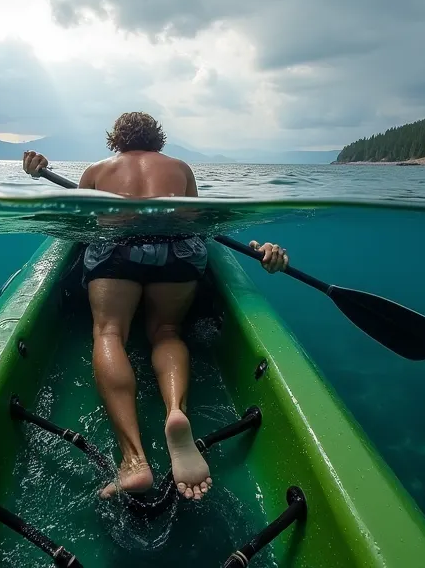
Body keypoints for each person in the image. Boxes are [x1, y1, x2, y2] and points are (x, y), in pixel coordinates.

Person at [22, 111, 289, 502]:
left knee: (109, 332)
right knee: (167, 332)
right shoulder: (180, 168)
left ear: (115, 139)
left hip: (117, 253)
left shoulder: (97, 170)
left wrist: (39, 173)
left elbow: (80, 225)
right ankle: (176, 412)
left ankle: (134, 460)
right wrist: (260, 249)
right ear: (158, 139)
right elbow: (200, 225)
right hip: (176, 255)